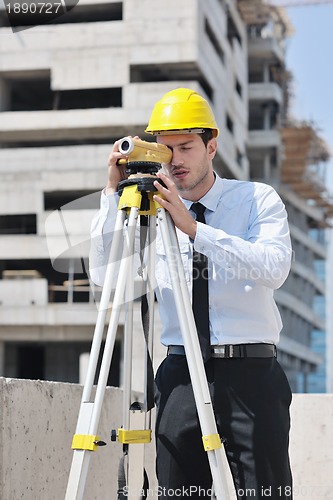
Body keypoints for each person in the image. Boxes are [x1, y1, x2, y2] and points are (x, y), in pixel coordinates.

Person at [89, 88, 293, 499]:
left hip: (251, 375)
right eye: (166, 149)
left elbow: (274, 268)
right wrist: (113, 198)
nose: (176, 160)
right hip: (181, 376)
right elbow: (103, 274)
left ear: (211, 146)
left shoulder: (255, 200)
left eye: (186, 147)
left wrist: (196, 230)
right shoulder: (150, 210)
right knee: (182, 493)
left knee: (265, 493)